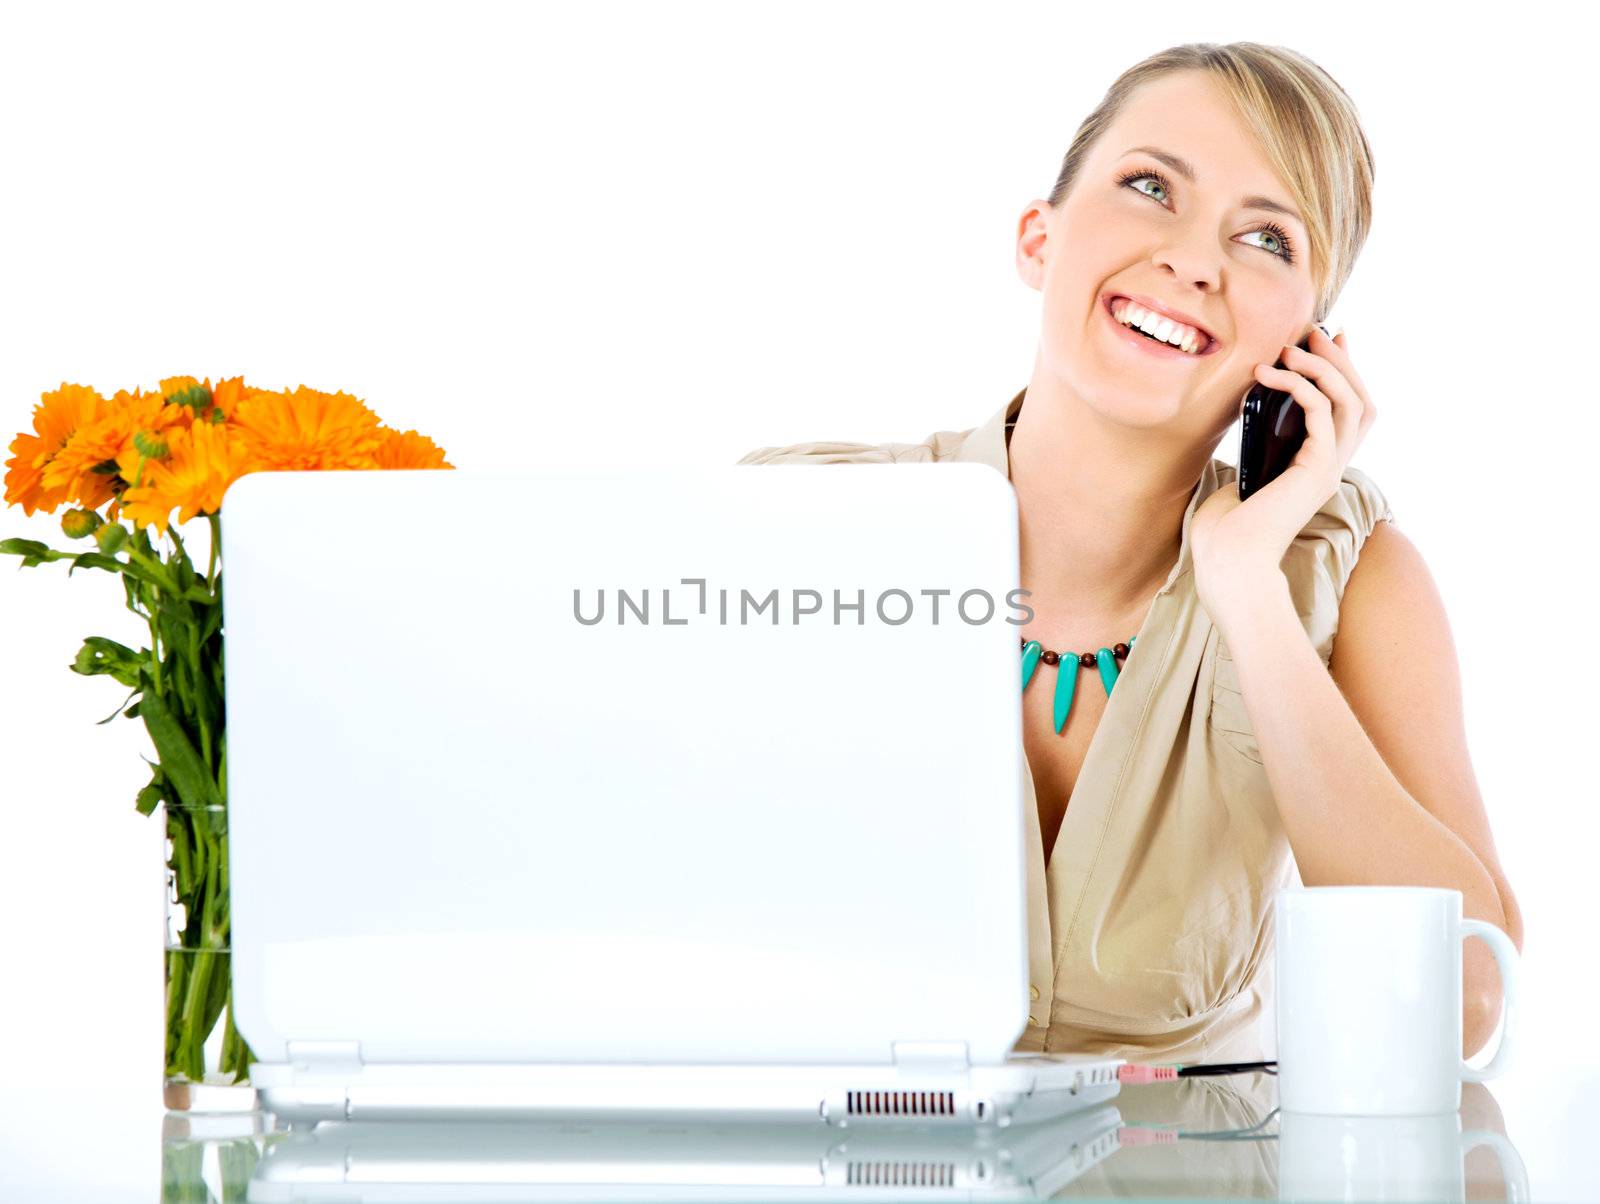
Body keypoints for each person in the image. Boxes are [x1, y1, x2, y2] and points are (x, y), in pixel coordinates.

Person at [737, 42, 1523, 1065]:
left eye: (1267, 240)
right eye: (1150, 186)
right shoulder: (798, 523)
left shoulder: (1352, 577)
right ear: (1037, 237)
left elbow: (1462, 1005)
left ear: (1309, 347)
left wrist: (1246, 590)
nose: (1194, 261)